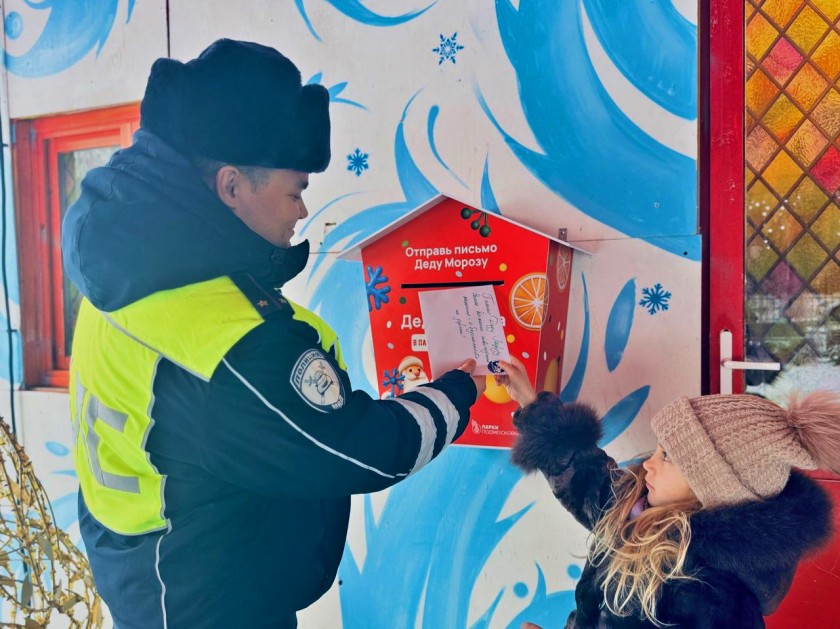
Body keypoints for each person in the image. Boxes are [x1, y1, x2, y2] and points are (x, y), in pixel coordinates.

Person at [61, 39, 485, 629]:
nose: (301, 212)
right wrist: (457, 393)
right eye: (295, 191)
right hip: (207, 602)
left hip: (143, 573)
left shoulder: (128, 272)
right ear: (232, 187)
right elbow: (353, 450)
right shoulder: (231, 345)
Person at [494, 358, 839, 628]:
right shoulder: (640, 505)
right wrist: (531, 403)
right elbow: (585, 478)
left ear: (715, 488)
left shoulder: (716, 602)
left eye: (668, 457)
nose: (648, 467)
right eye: (656, 451)